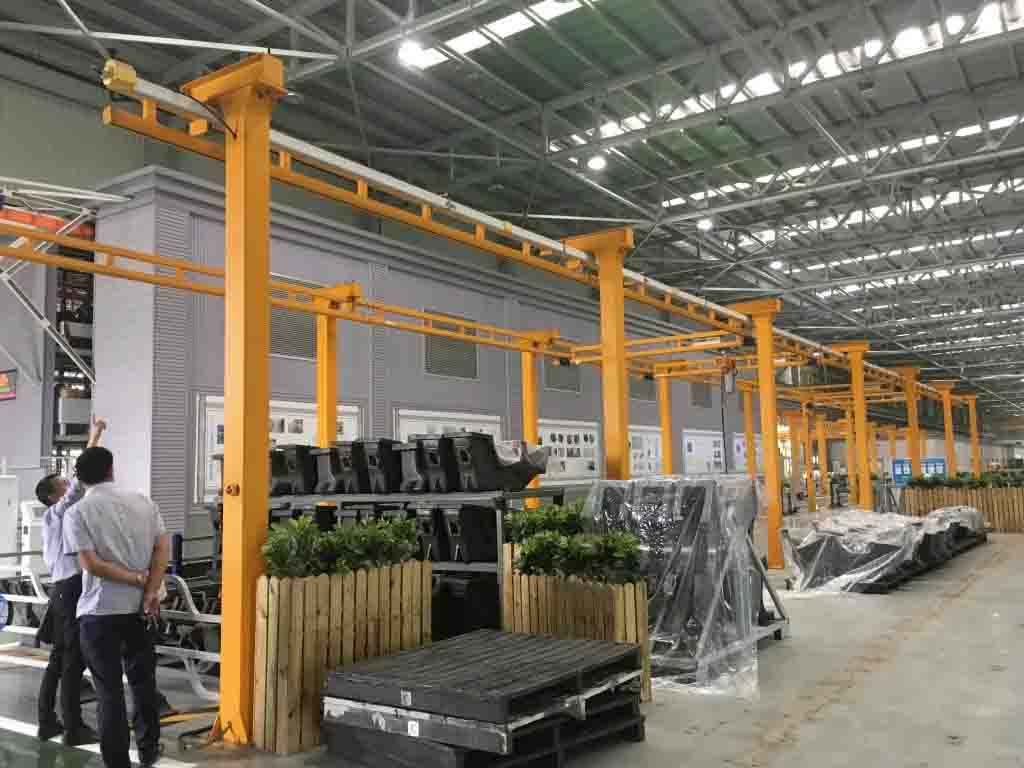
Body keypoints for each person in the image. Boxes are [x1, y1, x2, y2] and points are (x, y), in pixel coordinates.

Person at [64, 447, 169, 768]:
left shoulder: (77, 512)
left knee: (108, 691)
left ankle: (117, 761)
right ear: (111, 469)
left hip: (99, 613)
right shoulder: (143, 502)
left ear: (79, 478)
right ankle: (149, 749)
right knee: (143, 683)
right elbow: (162, 548)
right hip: (140, 610)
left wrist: (135, 579)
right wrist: (149, 589)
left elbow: (91, 565)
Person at [35, 417, 107, 745]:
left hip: (61, 591)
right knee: (72, 660)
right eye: (63, 484)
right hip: (70, 589)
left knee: (58, 660)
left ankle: (47, 722)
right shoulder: (58, 513)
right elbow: (81, 478)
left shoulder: (55, 519)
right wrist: (95, 435)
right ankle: (73, 728)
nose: (70, 486)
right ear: (55, 496)